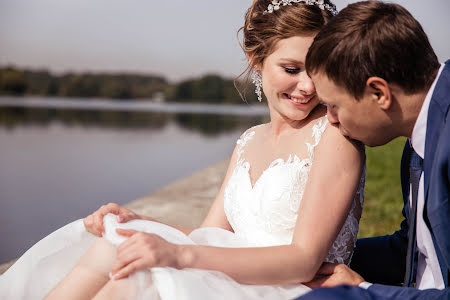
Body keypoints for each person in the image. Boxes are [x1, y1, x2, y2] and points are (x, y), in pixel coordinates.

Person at [0, 1, 365, 299]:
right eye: (291, 68)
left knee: (135, 278)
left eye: (317, 70)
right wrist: (140, 222)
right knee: (118, 243)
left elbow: (302, 261)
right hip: (237, 275)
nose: (307, 86)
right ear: (256, 60)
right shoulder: (249, 141)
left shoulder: (333, 136)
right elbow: (211, 234)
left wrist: (178, 255)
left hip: (289, 289)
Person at [297, 1, 450, 299]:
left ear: (378, 93)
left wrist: (363, 291)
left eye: (335, 106)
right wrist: (306, 258)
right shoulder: (420, 135)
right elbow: (412, 251)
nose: (331, 119)